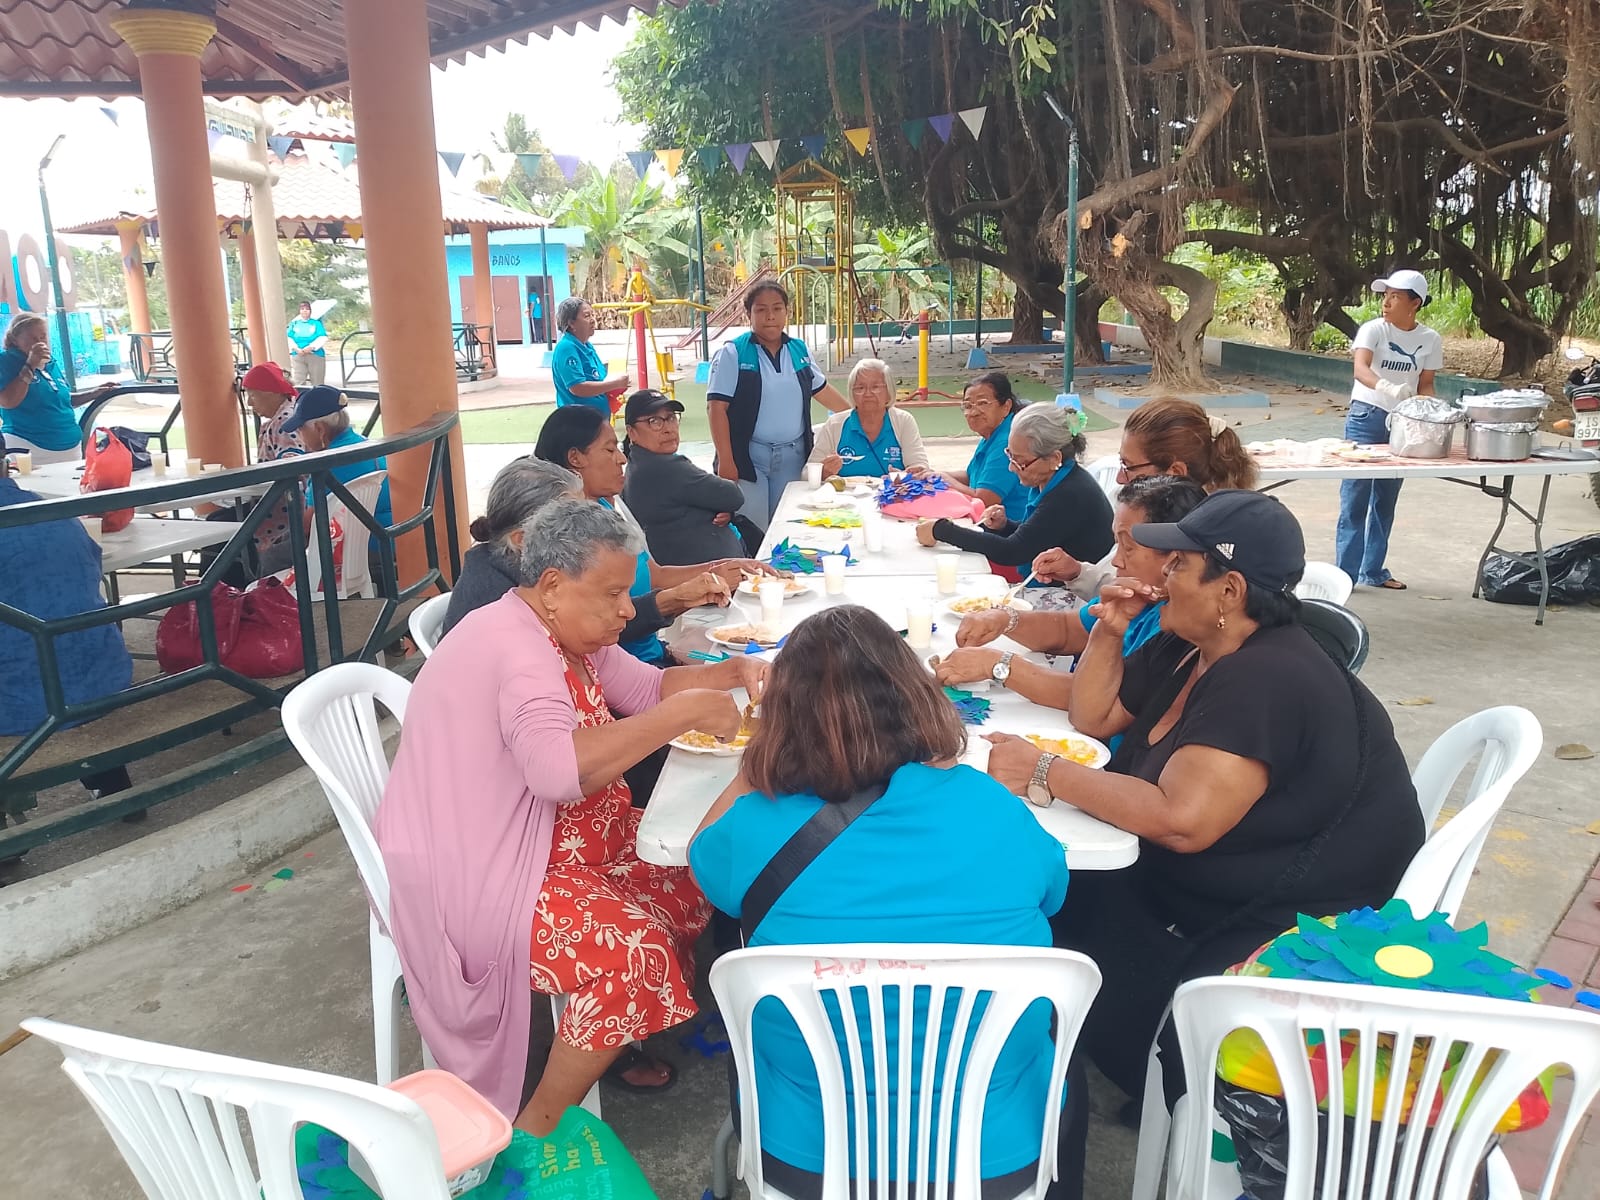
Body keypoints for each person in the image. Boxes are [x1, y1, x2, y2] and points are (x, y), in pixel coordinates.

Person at [984, 490, 1423, 1115]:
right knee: (1050, 891)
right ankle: (1070, 1048)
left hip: (1290, 917)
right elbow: (1095, 715)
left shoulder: (1267, 676)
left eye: (1179, 565)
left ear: (1230, 590)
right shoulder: (1189, 642)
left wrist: (1045, 769)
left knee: (1062, 906)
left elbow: (1181, 821)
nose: (1160, 577)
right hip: (1219, 876)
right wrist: (1109, 630)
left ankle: (1151, 1086)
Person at [376, 497, 769, 1130]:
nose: (628, 609)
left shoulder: (560, 629)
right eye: (613, 594)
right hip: (485, 871)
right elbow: (558, 772)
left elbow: (646, 687)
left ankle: (603, 1035)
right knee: (633, 953)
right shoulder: (518, 650)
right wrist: (681, 717)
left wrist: (731, 673)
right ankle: (535, 1126)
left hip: (552, 843)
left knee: (698, 868)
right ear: (554, 585)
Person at [689, 605, 1080, 1199]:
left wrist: (757, 762)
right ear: (917, 698)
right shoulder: (992, 807)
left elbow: (703, 858)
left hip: (806, 1158)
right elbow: (1053, 895)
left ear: (784, 720)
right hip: (996, 1157)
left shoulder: (754, 826)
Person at [933, 476, 1208, 717]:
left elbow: (1097, 700)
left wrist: (998, 664)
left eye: (1128, 548)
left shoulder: (1177, 628)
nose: (1116, 562)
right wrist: (1005, 618)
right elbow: (1068, 629)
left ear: (1174, 557)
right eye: (1117, 545)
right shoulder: (1135, 596)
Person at [535, 404, 769, 666]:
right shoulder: (566, 535)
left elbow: (654, 574)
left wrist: (721, 569)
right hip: (631, 668)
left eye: (671, 419)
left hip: (655, 652)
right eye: (609, 450)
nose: (622, 459)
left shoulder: (606, 506)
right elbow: (600, 626)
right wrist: (676, 599)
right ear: (576, 458)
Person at [0, 434, 134, 800]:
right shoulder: (55, 513)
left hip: (21, 705)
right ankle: (112, 786)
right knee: (57, 642)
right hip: (101, 681)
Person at [1032, 396, 1258, 600]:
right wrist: (1077, 573)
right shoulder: (1153, 521)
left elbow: (1135, 599)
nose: (1120, 478)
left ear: (1174, 473)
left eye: (1128, 466)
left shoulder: (1201, 557)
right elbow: (1123, 587)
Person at [706, 281, 847, 525]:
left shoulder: (798, 350)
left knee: (788, 522)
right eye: (761, 310)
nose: (770, 316)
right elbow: (716, 408)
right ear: (748, 314)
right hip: (749, 457)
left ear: (786, 312)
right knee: (754, 527)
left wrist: (859, 415)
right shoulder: (734, 353)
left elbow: (822, 391)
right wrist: (726, 461)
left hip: (794, 456)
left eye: (777, 308)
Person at [1337, 269, 1443, 591]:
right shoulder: (1373, 330)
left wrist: (1428, 410)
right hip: (1366, 416)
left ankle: (1373, 570)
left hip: (1402, 424)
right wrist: (1387, 387)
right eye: (1385, 296)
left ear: (1415, 303)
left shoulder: (1430, 339)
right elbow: (1360, 369)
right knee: (1355, 497)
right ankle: (1345, 576)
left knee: (1385, 499)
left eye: (1395, 297)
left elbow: (1426, 384)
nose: (1386, 303)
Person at [915, 403, 1113, 574]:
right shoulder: (1052, 478)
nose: (1011, 467)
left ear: (1054, 458)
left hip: (1078, 593)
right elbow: (1040, 534)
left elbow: (1014, 551)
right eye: (1010, 455)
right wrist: (1005, 526)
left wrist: (942, 530)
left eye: (1020, 461)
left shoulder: (1069, 494)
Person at [442, 457, 583, 636]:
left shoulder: (502, 563)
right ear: (522, 539)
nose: (586, 531)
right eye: (570, 525)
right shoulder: (502, 597)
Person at [620, 389, 748, 565]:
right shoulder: (663, 468)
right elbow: (733, 495)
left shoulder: (639, 463)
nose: (668, 429)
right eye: (654, 421)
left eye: (671, 418)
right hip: (708, 573)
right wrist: (717, 507)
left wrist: (720, 507)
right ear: (632, 432)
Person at [0, 312, 114, 465]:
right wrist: (31, 364)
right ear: (15, 340)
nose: (40, 343)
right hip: (28, 447)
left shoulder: (50, 363)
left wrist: (95, 393)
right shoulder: (6, 361)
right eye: (33, 338)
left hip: (69, 447)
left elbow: (61, 400)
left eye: (43, 337)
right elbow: (8, 401)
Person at [932, 372, 1031, 521]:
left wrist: (945, 479)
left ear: (1006, 406)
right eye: (967, 406)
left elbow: (984, 500)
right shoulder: (992, 434)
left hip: (1008, 527)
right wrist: (933, 475)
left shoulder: (1007, 441)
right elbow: (970, 476)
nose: (973, 412)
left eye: (983, 403)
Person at [808, 358, 929, 478]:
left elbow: (919, 466)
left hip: (892, 490)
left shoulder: (903, 421)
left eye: (875, 387)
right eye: (860, 388)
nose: (868, 393)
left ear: (889, 392)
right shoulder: (835, 424)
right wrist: (822, 472)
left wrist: (909, 475)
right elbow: (807, 473)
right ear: (852, 393)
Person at [238, 362, 306, 561]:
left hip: (283, 517)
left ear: (272, 393)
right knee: (220, 520)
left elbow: (292, 463)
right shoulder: (286, 415)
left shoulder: (284, 422)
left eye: (253, 395)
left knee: (223, 530)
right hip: (279, 508)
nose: (249, 403)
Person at [550, 297, 631, 413]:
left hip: (597, 416)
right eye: (587, 316)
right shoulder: (566, 348)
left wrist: (617, 385)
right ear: (571, 323)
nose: (593, 320)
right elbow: (577, 387)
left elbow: (598, 379)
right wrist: (615, 384)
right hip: (579, 419)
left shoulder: (587, 346)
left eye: (592, 315)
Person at [286, 301, 329, 388]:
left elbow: (322, 337)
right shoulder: (294, 324)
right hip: (298, 354)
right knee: (298, 381)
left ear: (310, 311)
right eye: (302, 309)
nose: (305, 311)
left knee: (317, 381)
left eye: (307, 309)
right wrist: (296, 348)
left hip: (315, 355)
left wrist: (311, 347)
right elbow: (288, 337)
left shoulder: (316, 323)